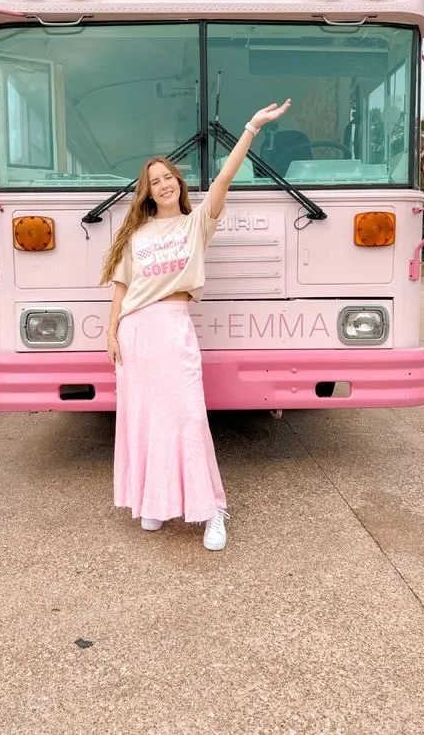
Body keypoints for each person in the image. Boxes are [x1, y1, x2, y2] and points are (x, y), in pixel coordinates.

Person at [100, 99, 291, 550]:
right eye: (154, 182)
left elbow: (225, 176)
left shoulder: (196, 224)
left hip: (173, 326)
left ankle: (212, 511)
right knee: (143, 419)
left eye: (168, 178)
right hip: (135, 334)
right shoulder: (135, 236)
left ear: (178, 184)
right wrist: (111, 332)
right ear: (146, 192)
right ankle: (153, 503)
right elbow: (121, 288)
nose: (163, 185)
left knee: (187, 417)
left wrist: (251, 127)